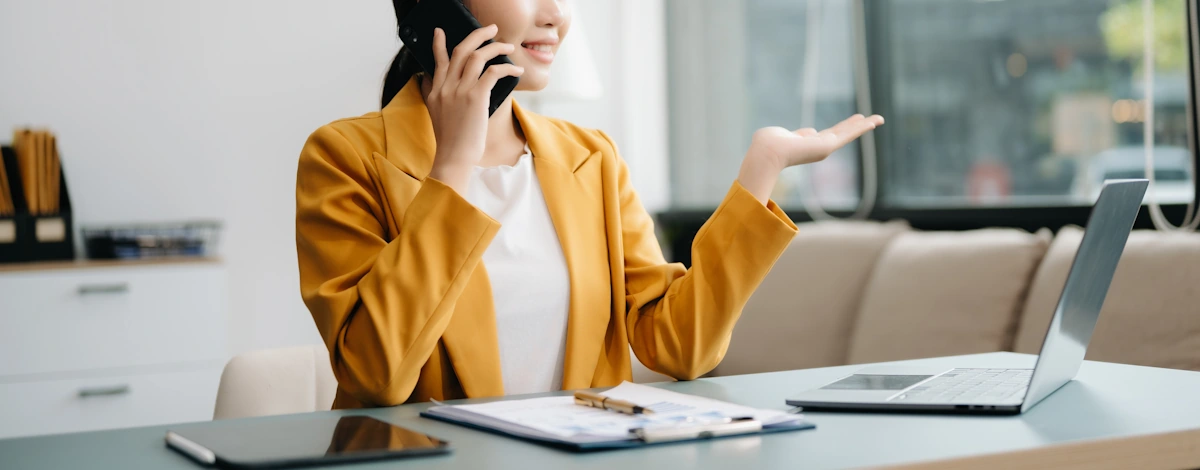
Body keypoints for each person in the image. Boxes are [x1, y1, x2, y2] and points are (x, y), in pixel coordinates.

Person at [295, 0, 884, 410]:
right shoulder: (344, 155)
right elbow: (376, 376)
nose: (556, 15)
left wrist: (763, 170)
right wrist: (452, 166)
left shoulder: (590, 157)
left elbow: (678, 346)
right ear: (446, 7)